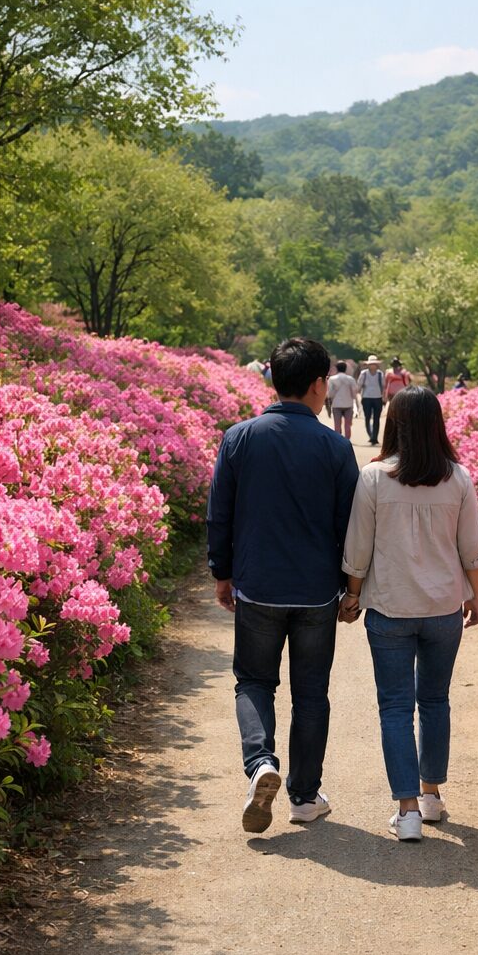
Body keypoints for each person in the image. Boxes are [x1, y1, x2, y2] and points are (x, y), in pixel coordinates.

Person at [207, 338, 360, 834]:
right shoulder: (336, 448)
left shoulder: (238, 438)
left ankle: (261, 765)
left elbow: (221, 514)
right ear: (319, 385)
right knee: (312, 693)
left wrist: (222, 572)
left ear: (273, 378)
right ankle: (304, 796)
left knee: (254, 682)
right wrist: (349, 586)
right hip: (316, 590)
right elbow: (349, 525)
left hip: (257, 585)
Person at [339, 386, 478, 842]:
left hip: (390, 608)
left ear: (393, 424)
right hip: (444, 608)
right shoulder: (458, 477)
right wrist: (475, 597)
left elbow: (358, 549)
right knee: (436, 701)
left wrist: (352, 595)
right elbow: (473, 550)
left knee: (396, 707)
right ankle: (432, 796)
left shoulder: (375, 478)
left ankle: (407, 813)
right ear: (435, 425)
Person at [326, 360, 359, 440]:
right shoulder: (350, 379)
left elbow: (330, 393)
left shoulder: (332, 379)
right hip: (348, 404)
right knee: (347, 424)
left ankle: (338, 440)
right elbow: (355, 391)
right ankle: (347, 440)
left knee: (337, 424)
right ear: (345, 368)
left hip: (336, 404)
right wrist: (356, 403)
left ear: (336, 368)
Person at [357, 355, 385, 445]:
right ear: (368, 365)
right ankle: (371, 435)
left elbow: (383, 386)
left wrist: (384, 397)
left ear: (377, 365)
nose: (372, 366)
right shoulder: (364, 373)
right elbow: (359, 385)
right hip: (366, 398)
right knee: (367, 417)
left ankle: (374, 437)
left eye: (374, 364)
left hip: (377, 397)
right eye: (371, 364)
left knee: (376, 418)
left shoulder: (380, 374)